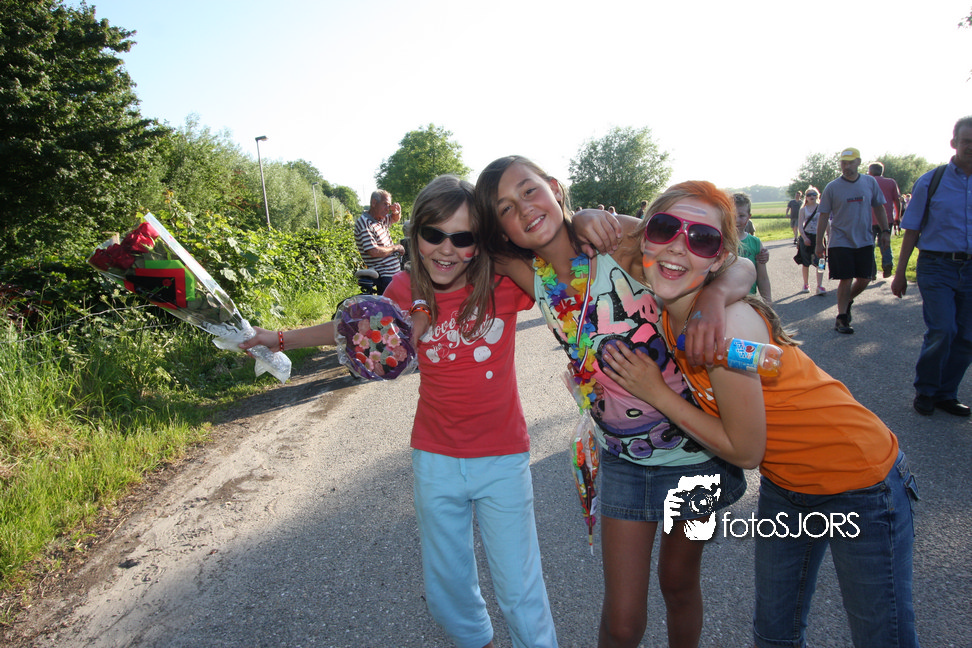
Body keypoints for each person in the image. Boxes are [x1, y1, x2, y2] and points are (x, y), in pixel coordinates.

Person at [601, 180, 920, 648]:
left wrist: (656, 393)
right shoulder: (676, 301)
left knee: (881, 637)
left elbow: (745, 450)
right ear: (646, 237)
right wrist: (588, 217)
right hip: (788, 486)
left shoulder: (727, 327)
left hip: (861, 481)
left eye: (702, 239)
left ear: (718, 258)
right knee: (774, 635)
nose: (678, 246)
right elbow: (624, 231)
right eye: (665, 228)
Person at [244, 175, 559, 648]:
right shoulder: (405, 286)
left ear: (480, 242)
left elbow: (565, 275)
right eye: (434, 234)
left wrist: (589, 222)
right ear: (414, 235)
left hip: (502, 457)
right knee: (447, 590)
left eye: (464, 237)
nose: (447, 249)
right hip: (435, 459)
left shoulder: (501, 281)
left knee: (520, 589)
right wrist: (280, 338)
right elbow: (349, 327)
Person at [476, 156, 755, 648]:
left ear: (554, 186)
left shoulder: (617, 242)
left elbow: (741, 264)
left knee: (678, 583)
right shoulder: (531, 275)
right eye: (505, 209)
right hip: (625, 460)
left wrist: (714, 301)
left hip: (697, 458)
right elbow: (459, 243)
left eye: (529, 191)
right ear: (501, 229)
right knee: (622, 621)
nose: (523, 209)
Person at [892, 115, 972, 417]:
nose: (971, 147)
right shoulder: (932, 180)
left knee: (967, 336)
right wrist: (900, 273)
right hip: (937, 266)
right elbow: (911, 229)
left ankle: (946, 394)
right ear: (954, 143)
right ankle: (926, 390)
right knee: (943, 329)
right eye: (966, 141)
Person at [816, 147, 891, 334]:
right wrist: (819, 243)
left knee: (865, 278)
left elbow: (879, 208)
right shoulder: (832, 187)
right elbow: (823, 216)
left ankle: (847, 299)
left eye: (850, 163)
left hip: (864, 240)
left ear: (859, 162)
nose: (846, 166)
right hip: (840, 240)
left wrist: (885, 231)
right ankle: (842, 318)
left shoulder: (869, 182)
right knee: (846, 278)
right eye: (843, 163)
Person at [354, 190, 405, 294]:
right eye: (385, 204)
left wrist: (397, 212)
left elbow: (395, 219)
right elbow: (373, 251)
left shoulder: (380, 219)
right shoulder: (365, 223)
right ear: (374, 203)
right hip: (385, 274)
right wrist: (395, 248)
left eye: (389, 205)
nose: (387, 209)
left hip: (393, 272)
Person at [733, 193, 772, 302]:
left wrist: (768, 302)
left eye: (741, 216)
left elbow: (763, 278)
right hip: (725, 301)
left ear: (748, 217)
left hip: (749, 300)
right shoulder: (719, 241)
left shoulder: (755, 243)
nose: (736, 220)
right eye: (732, 215)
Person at [868, 162, 903, 279]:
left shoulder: (868, 182)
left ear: (870, 172)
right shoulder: (891, 182)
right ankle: (887, 262)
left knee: (869, 245)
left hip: (870, 218)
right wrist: (898, 216)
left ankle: (871, 271)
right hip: (887, 218)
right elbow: (897, 200)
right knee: (885, 242)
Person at [796, 186, 827, 295]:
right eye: (809, 195)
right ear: (806, 197)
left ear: (817, 196)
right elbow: (800, 226)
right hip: (807, 237)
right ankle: (806, 284)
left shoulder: (822, 208)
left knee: (821, 261)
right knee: (805, 262)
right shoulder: (803, 210)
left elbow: (826, 223)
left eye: (814, 194)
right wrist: (804, 238)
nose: (811, 196)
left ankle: (820, 285)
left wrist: (827, 237)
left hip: (819, 236)